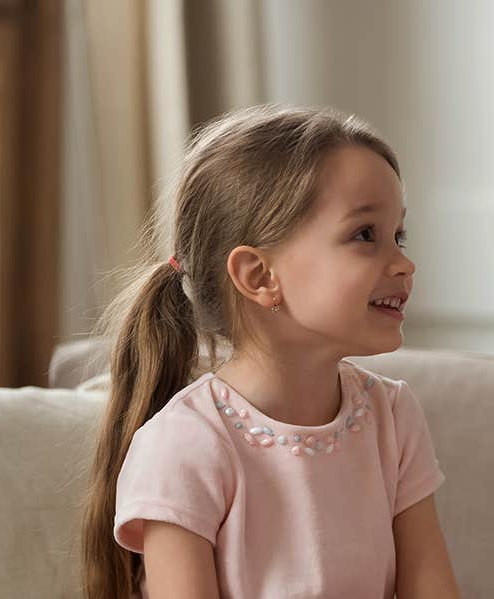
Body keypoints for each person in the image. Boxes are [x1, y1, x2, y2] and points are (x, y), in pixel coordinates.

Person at [80, 105, 461, 599]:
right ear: (259, 276)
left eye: (398, 235)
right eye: (366, 235)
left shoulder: (392, 417)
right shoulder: (185, 444)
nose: (405, 263)